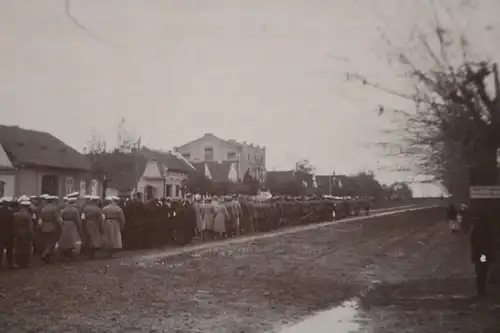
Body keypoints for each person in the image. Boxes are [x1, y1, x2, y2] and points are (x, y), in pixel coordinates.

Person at [470, 215, 495, 296]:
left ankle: (480, 289)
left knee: (479, 270)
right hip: (483, 252)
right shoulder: (486, 230)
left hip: (478, 252)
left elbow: (472, 241)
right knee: (483, 270)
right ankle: (481, 289)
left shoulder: (475, 229)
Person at [39, 195, 62, 263]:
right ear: (53, 201)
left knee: (47, 242)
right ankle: (45, 254)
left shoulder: (44, 208)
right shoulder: (54, 208)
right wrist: (61, 226)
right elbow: (58, 219)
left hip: (44, 227)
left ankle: (50, 257)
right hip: (52, 227)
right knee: (52, 242)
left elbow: (40, 219)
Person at [58, 194, 82, 260]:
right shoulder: (75, 210)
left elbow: (60, 217)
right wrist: (80, 227)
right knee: (72, 238)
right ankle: (69, 252)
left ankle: (64, 252)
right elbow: (77, 219)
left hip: (65, 224)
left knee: (65, 237)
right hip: (72, 224)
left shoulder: (64, 209)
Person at [13, 199, 36, 268]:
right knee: (26, 248)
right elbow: (30, 226)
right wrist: (32, 234)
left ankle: (18, 262)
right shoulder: (28, 215)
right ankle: (25, 263)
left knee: (18, 247)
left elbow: (13, 224)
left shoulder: (16, 214)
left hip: (17, 232)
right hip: (26, 233)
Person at [0, 197, 16, 269]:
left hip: (1, 234)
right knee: (9, 250)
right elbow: (12, 224)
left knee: (0, 250)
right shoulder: (10, 212)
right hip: (9, 234)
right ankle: (10, 264)